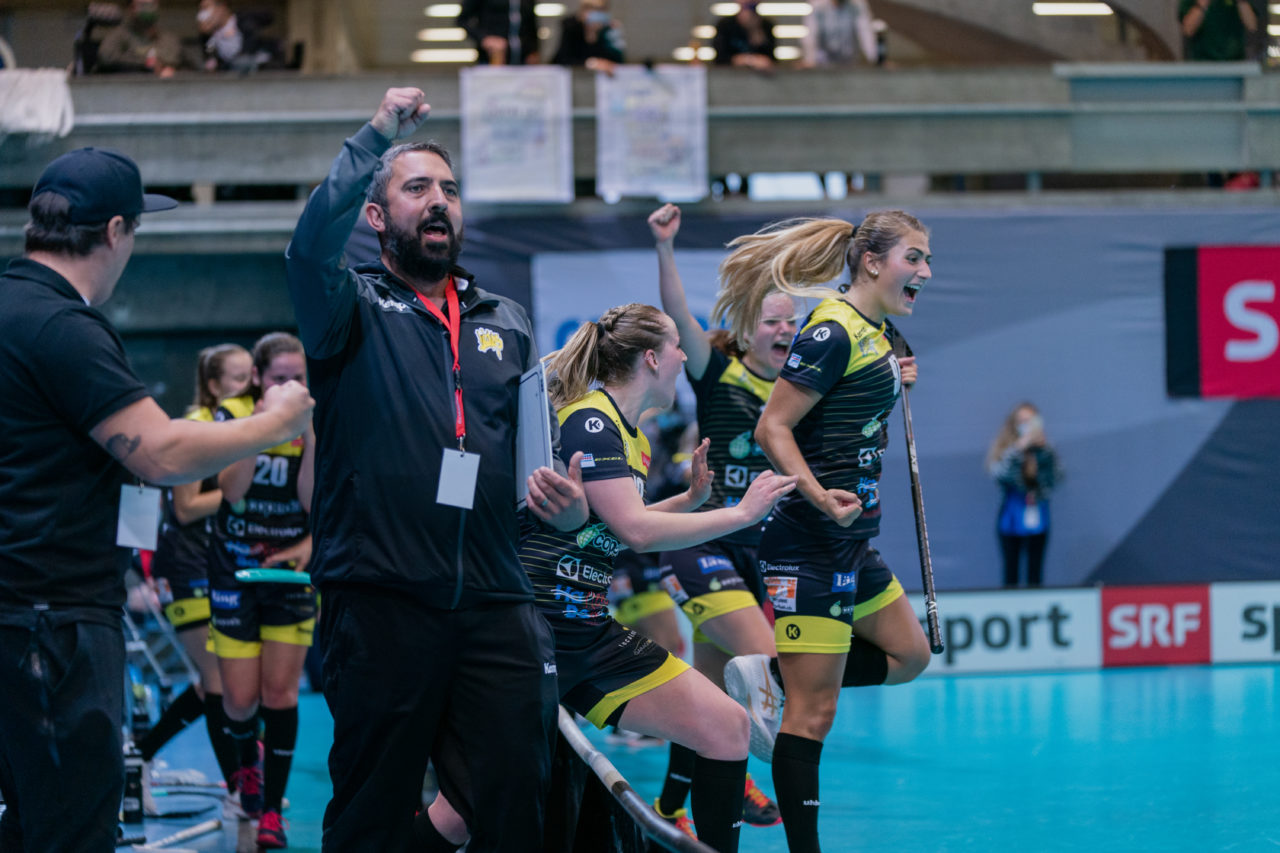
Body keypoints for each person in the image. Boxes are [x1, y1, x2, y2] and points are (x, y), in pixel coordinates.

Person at [285, 87, 588, 852]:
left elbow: (537, 468)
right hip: (382, 598)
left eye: (448, 189)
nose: (438, 202)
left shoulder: (507, 321)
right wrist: (378, 133)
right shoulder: (346, 307)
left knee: (515, 794)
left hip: (494, 598)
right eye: (416, 189)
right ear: (377, 216)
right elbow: (309, 245)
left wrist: (568, 507)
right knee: (372, 806)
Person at [0, 146, 313, 853]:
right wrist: (280, 422)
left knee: (26, 817)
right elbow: (161, 451)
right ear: (115, 231)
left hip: (21, 613)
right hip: (52, 619)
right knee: (70, 825)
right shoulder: (62, 326)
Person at [421, 302, 798, 853]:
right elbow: (636, 531)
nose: (683, 361)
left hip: (589, 632)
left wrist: (690, 500)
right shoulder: (590, 420)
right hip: (533, 634)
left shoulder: (632, 438)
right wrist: (741, 513)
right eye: (676, 348)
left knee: (726, 726)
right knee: (461, 814)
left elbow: (616, 528)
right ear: (651, 357)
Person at [714, 211, 935, 853]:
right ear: (872, 262)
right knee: (816, 716)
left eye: (926, 260)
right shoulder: (834, 329)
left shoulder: (874, 329)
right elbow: (771, 429)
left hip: (852, 542)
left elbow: (853, 396)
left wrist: (898, 374)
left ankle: (777, 675)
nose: (924, 272)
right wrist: (817, 495)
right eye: (913, 258)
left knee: (910, 656)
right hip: (809, 543)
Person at [645, 203, 794, 831]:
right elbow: (679, 315)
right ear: (745, 327)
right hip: (701, 540)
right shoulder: (717, 370)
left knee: (705, 697)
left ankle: (670, 806)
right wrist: (665, 248)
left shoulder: (800, 392)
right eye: (772, 321)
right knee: (763, 663)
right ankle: (739, 782)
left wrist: (899, 379)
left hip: (757, 555)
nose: (785, 330)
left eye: (794, 321)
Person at [206, 332, 316, 849]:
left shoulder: (312, 418)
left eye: (298, 378)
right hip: (233, 571)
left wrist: (308, 433)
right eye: (279, 379)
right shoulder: (232, 414)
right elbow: (231, 491)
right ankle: (246, 771)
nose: (289, 387)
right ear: (257, 379)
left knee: (281, 694)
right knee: (241, 700)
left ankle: (272, 810)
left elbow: (314, 501)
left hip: (289, 575)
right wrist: (266, 423)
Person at [137, 343, 253, 813]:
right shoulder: (194, 430)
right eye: (240, 378)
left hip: (219, 564)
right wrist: (237, 493)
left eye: (253, 376)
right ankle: (239, 792)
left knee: (217, 686)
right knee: (219, 685)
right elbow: (186, 509)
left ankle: (140, 756)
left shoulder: (243, 430)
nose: (253, 386)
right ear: (213, 385)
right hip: (184, 569)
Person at [986, 402, 1063, 589]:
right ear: (1014, 424)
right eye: (1022, 421)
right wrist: (1018, 450)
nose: (1026, 425)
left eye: (1031, 421)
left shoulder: (1045, 451)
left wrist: (1044, 452)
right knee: (1011, 571)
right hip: (1011, 518)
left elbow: (1054, 478)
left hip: (1039, 517)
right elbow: (1000, 475)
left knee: (1035, 571)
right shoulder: (1008, 449)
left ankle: (1035, 608)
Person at [96, 0, 183, 76]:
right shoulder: (119, 35)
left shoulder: (169, 39)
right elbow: (106, 57)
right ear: (131, 8)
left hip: (166, 90)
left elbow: (189, 67)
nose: (148, 9)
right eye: (143, 5)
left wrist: (173, 73)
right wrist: (144, 63)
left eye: (152, 5)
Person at [195, 0, 284, 72]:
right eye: (202, 9)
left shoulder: (243, 19)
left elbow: (269, 15)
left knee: (243, 62)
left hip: (260, 70)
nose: (204, 13)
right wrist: (206, 35)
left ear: (221, 7)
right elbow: (210, 59)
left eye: (206, 8)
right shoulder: (209, 36)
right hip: (231, 79)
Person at [457, 0, 539, 65]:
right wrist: (485, 38)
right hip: (493, 58)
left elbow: (532, 24)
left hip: (523, 61)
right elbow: (463, 20)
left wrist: (534, 49)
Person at [552, 0, 625, 73]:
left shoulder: (608, 30)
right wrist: (592, 63)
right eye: (591, 8)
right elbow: (562, 59)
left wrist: (614, 35)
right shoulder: (570, 27)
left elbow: (618, 60)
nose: (596, 13)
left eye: (601, 9)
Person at [800, 0, 878, 68]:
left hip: (851, 62)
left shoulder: (857, 4)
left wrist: (874, 59)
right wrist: (809, 60)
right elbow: (810, 35)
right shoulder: (817, 5)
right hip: (822, 63)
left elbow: (866, 33)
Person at [1179, 0, 1257, 61]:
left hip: (1235, 62)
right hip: (1202, 63)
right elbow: (1187, 30)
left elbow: (1252, 26)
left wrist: (1241, 1)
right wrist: (1202, 4)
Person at [713, 0, 776, 71]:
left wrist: (754, 30)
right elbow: (720, 59)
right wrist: (750, 61)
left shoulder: (766, 26)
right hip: (729, 77)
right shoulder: (725, 25)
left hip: (759, 80)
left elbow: (769, 60)